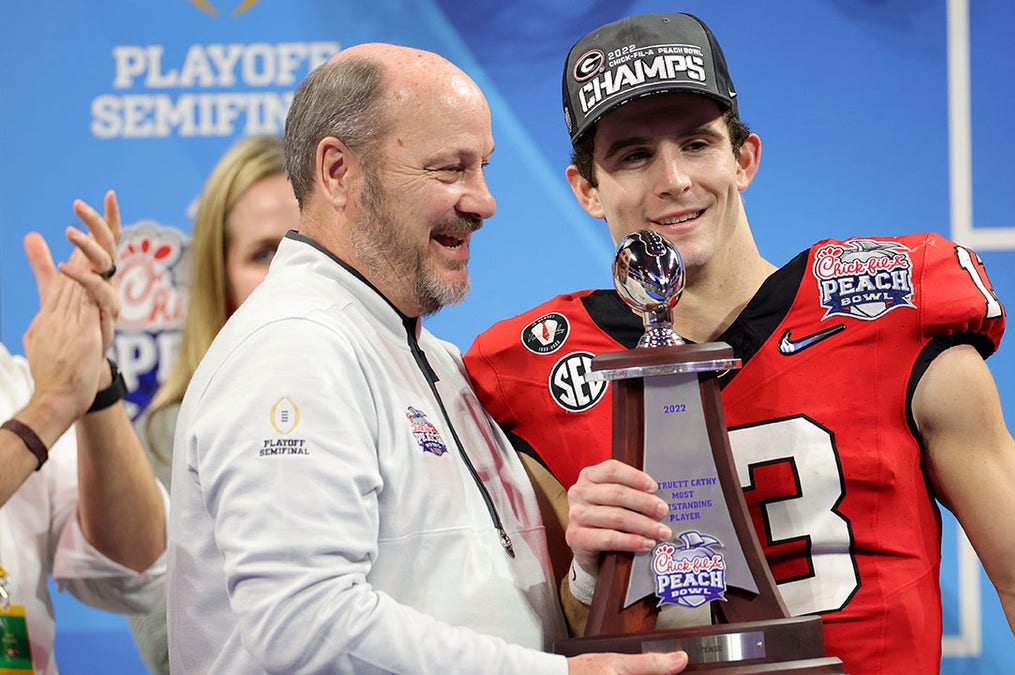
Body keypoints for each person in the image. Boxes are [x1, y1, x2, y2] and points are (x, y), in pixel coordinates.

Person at [463, 13, 1015, 674]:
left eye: (696, 144)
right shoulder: (531, 372)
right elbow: (561, 635)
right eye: (634, 155)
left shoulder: (887, 307)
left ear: (743, 158)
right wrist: (587, 572)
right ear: (586, 190)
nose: (674, 180)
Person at [166, 42, 686, 674]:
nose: (484, 200)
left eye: (485, 168)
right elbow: (301, 621)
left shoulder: (430, 358)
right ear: (337, 172)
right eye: (450, 170)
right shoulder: (294, 345)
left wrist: (587, 575)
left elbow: (472, 599)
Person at [128, 134, 297, 675]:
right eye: (262, 253)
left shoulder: (411, 397)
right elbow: (170, 648)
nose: (288, 274)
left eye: (305, 247)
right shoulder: (165, 435)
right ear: (218, 276)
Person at [0, 192, 167, 675]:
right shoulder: (37, 404)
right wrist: (52, 406)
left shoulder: (14, 388)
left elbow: (136, 569)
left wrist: (92, 384)